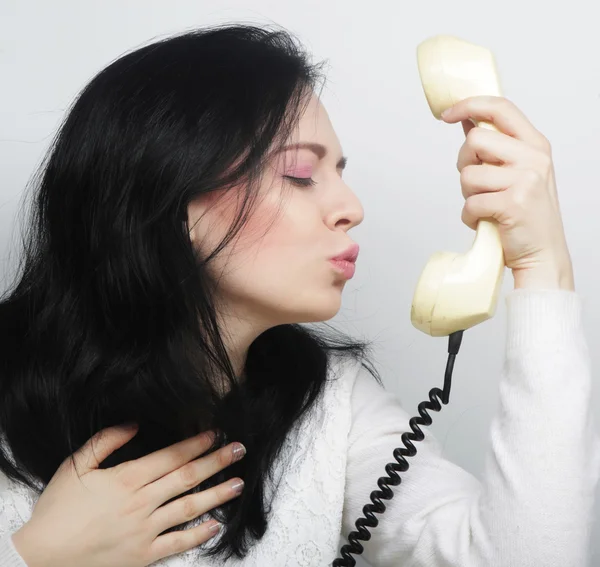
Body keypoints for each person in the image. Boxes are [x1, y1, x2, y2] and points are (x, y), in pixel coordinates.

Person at [0, 24, 596, 567]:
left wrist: (542, 266)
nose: (352, 209)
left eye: (340, 171)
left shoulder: (332, 407)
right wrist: (37, 558)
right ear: (165, 191)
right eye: (300, 175)